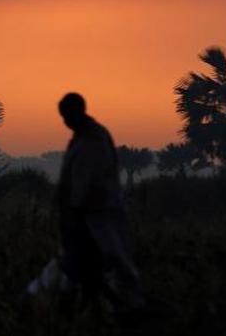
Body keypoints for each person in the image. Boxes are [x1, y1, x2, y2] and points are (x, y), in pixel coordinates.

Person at [55, 92, 144, 313]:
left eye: (66, 116)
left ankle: (131, 308)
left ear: (74, 113)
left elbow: (85, 186)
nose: (65, 121)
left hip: (97, 216)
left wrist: (74, 215)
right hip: (90, 217)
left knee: (114, 262)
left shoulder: (91, 140)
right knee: (89, 270)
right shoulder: (87, 136)